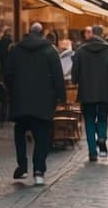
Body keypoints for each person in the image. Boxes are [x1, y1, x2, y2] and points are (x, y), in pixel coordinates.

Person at [4, 23, 64, 186]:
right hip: (43, 101)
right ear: (42, 33)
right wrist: (60, 98)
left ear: (28, 33)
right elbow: (58, 77)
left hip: (21, 100)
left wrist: (13, 92)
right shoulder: (50, 51)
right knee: (42, 137)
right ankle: (39, 171)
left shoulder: (16, 50)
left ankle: (22, 166)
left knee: (20, 133)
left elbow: (8, 74)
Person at [71, 25, 108, 161]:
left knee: (88, 119)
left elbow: (74, 73)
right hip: (105, 90)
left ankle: (92, 151)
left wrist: (76, 80)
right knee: (102, 117)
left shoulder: (80, 51)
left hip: (86, 91)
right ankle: (101, 137)